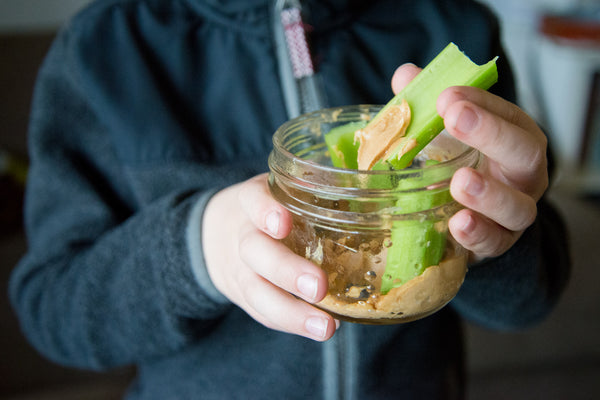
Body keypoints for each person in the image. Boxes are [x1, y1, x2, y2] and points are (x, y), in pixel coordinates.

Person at [9, 0, 570, 398]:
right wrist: (194, 252)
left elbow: (532, 300)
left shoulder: (454, 24)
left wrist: (499, 239)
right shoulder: (104, 51)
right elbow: (50, 306)